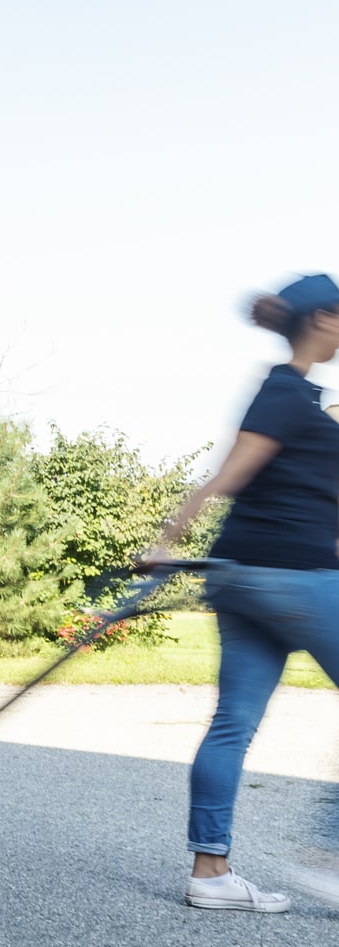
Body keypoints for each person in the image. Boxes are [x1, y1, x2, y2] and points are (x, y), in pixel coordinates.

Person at [146, 273, 339, 912]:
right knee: (231, 725)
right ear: (323, 320)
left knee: (232, 724)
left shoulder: (301, 400)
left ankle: (212, 875)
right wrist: (167, 538)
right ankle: (331, 859)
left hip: (244, 578)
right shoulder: (285, 393)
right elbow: (230, 473)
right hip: (289, 578)